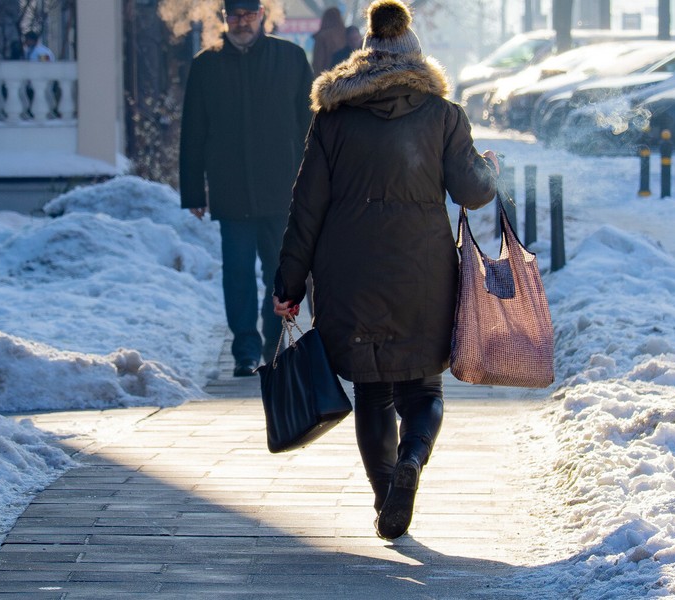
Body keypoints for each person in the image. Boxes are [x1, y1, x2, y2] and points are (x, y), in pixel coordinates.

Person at [271, 0, 500, 540]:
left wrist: (289, 282)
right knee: (423, 391)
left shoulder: (333, 120)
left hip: (348, 276)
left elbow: (306, 206)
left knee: (373, 393)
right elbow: (472, 191)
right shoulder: (443, 116)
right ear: (415, 57)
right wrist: (490, 171)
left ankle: (385, 501)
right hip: (423, 274)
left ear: (365, 56)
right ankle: (412, 462)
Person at [179, 0, 314, 377]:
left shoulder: (290, 59)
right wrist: (193, 191)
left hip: (281, 188)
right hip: (230, 188)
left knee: (280, 272)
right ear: (224, 18)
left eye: (248, 15)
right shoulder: (206, 65)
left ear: (261, 16)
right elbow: (194, 132)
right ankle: (243, 349)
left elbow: (311, 125)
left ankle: (275, 344)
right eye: (234, 16)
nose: (241, 22)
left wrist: (316, 183)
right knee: (236, 272)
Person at [310, 7, 348, 74]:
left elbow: (318, 63)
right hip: (347, 76)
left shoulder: (322, 37)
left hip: (327, 77)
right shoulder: (346, 34)